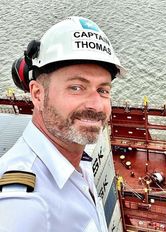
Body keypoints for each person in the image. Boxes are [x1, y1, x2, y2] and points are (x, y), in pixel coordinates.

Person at [0, 16, 125, 232]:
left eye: (103, 90)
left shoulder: (77, 161)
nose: (96, 105)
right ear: (37, 94)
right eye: (76, 87)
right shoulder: (21, 205)